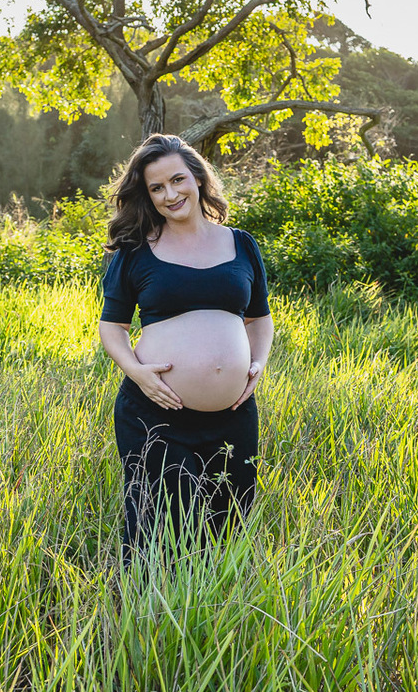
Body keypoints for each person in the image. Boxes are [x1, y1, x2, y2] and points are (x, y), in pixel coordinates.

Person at [98, 133, 274, 564]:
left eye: (177, 180)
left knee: (228, 524)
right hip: (156, 412)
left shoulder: (240, 243)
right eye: (156, 188)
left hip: (234, 415)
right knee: (157, 526)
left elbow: (260, 318)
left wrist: (257, 365)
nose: (169, 194)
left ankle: (215, 617)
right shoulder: (137, 250)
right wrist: (138, 373)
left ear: (198, 177)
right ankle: (142, 617)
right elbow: (112, 327)